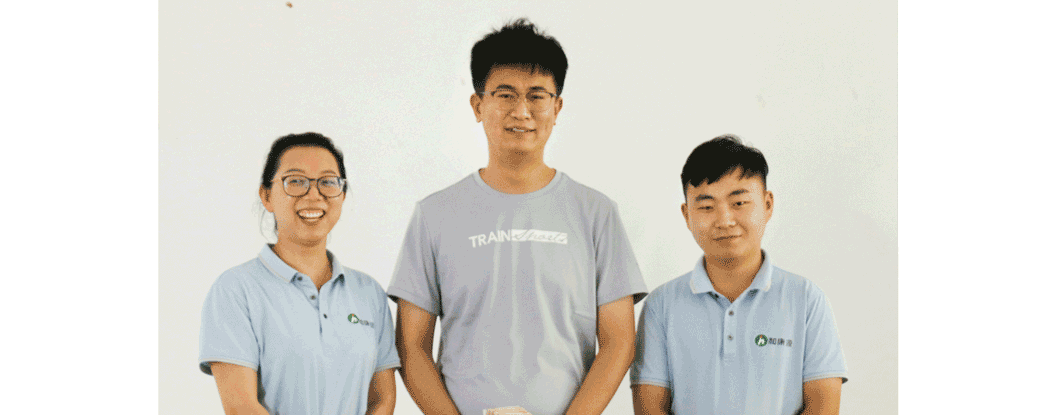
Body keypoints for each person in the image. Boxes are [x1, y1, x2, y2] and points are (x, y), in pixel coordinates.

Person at [387, 18, 647, 415]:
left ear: (557, 108)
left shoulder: (595, 212)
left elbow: (619, 342)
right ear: (478, 105)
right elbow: (411, 346)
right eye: (505, 95)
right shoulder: (435, 214)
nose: (521, 111)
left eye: (537, 96)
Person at [630, 135, 848, 414]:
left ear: (767, 204)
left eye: (739, 203)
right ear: (686, 215)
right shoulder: (661, 305)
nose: (724, 220)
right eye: (706, 207)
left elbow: (823, 405)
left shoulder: (806, 299)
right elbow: (649, 406)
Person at [199, 132, 400, 415]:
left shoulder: (369, 293)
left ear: (342, 194)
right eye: (296, 181)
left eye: (328, 182)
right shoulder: (235, 290)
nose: (314, 195)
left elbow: (381, 400)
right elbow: (241, 406)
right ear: (266, 196)